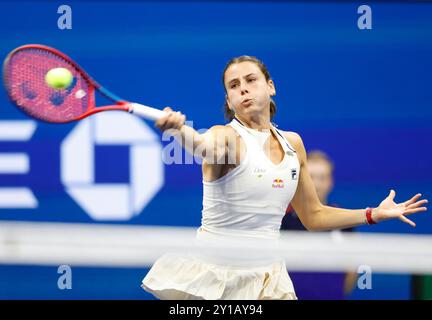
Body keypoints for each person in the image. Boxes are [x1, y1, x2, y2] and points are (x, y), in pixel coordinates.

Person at [141, 55, 428, 300]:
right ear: (229, 101)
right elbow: (204, 147)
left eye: (251, 80)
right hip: (217, 278)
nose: (243, 89)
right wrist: (179, 131)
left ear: (271, 86)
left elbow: (313, 216)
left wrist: (372, 214)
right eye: (234, 85)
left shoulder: (294, 144)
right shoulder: (226, 137)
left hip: (268, 277)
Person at [281, 150, 357, 299]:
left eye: (322, 178)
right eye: (311, 177)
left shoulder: (344, 221)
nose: (316, 184)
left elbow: (352, 269)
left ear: (330, 182)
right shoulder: (283, 220)